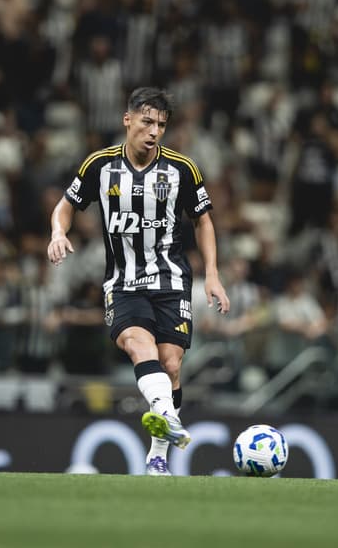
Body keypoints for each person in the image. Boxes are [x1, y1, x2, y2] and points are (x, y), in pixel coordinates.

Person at [48, 87, 230, 475]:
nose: (154, 131)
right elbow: (65, 205)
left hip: (171, 280)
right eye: (147, 122)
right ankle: (166, 413)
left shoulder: (182, 169)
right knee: (137, 344)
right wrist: (58, 233)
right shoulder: (100, 165)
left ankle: (157, 455)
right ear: (127, 120)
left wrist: (213, 274)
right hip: (123, 282)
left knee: (171, 364)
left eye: (161, 125)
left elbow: (203, 221)